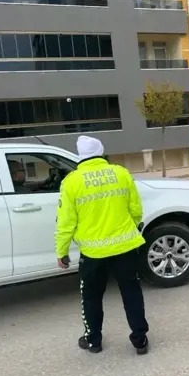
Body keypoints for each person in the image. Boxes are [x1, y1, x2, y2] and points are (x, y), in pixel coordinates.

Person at [55, 135, 149, 355]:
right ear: (101, 151)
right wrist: (128, 229)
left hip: (93, 253)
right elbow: (135, 210)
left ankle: (93, 341)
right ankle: (140, 340)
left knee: (91, 297)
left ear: (80, 156)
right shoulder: (121, 173)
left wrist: (62, 251)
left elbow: (66, 222)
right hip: (125, 248)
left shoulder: (71, 182)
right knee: (131, 293)